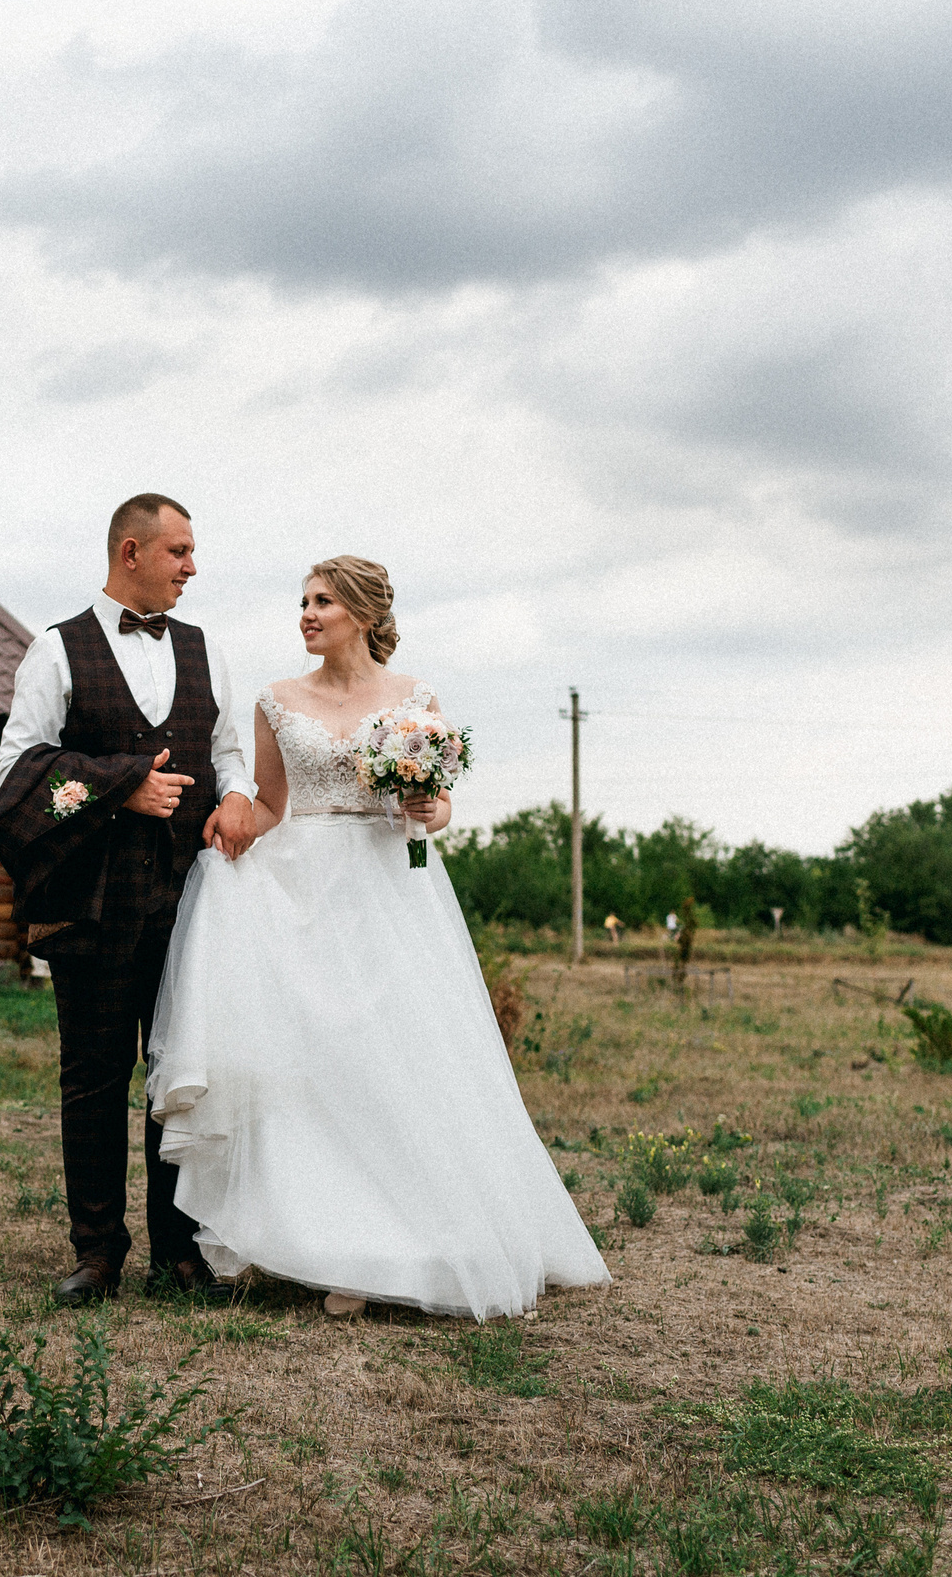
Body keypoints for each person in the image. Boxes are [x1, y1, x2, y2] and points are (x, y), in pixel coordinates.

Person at [145, 556, 610, 1320]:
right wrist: (233, 822)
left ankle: (406, 1238)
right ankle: (330, 1241)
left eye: (322, 601)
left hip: (390, 889)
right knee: (313, 1067)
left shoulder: (414, 699)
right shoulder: (274, 700)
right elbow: (270, 803)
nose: (306, 613)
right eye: (302, 600)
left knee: (399, 1060)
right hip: (300, 890)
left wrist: (434, 811)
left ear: (361, 613)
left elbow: (439, 802)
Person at [0, 494, 258, 1306]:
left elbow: (229, 752)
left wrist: (238, 795)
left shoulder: (207, 651)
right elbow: (17, 776)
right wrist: (118, 786)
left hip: (188, 903)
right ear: (130, 551)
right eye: (179, 550)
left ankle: (180, 1251)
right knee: (96, 1078)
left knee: (180, 1074)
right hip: (94, 903)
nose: (192, 567)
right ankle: (98, 1253)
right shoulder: (55, 650)